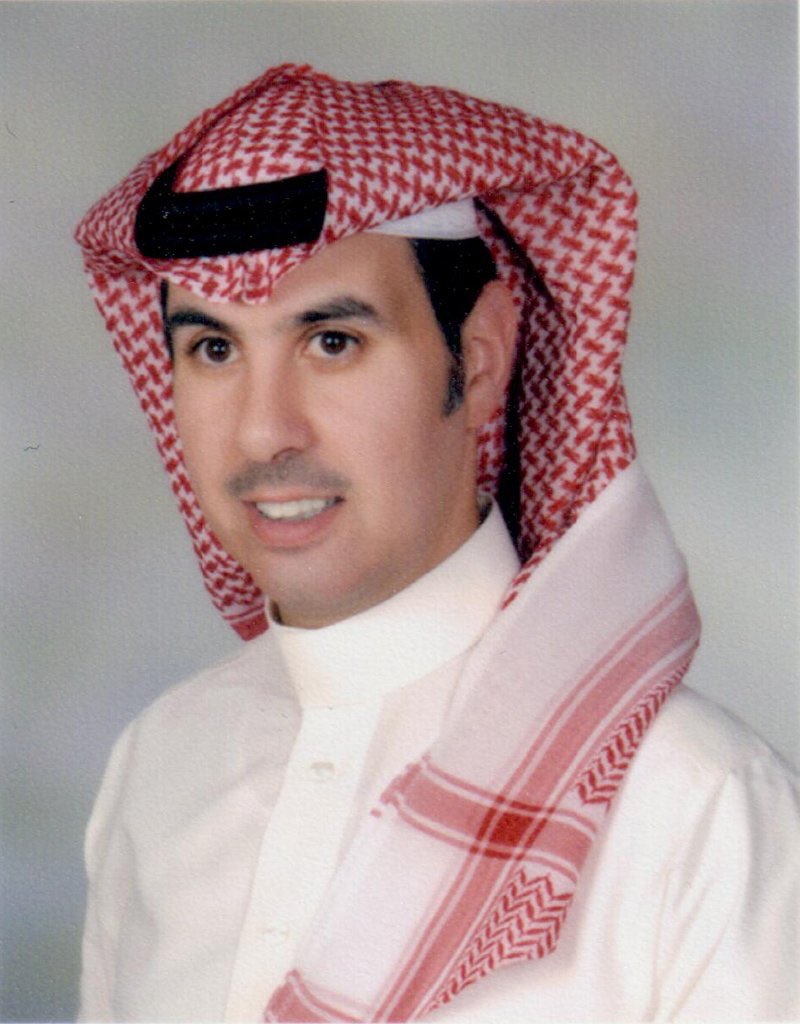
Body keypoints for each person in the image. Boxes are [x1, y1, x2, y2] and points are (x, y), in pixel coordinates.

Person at [74, 64, 799, 1022]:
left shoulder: (696, 807)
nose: (262, 432)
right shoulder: (161, 766)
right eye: (214, 349)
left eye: (332, 342)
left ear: (482, 357)